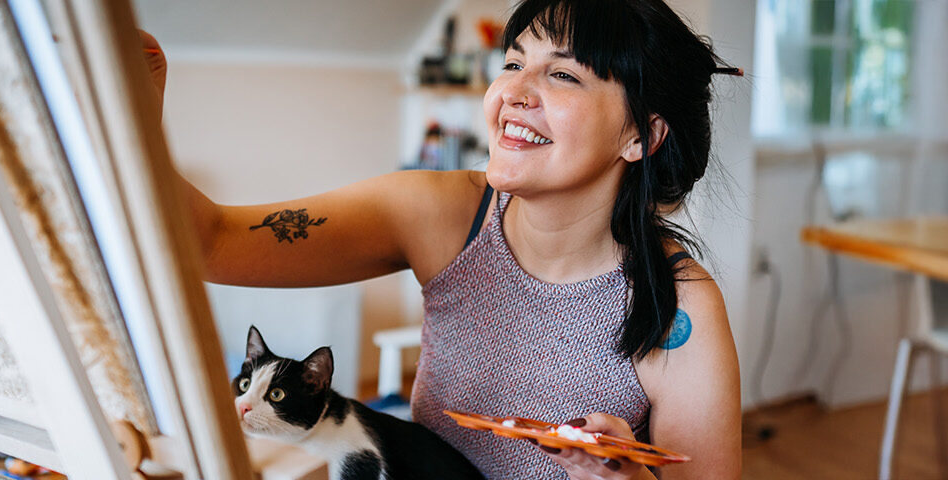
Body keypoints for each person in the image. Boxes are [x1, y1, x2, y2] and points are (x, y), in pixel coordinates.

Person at [140, 0, 741, 477]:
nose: (512, 94)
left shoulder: (682, 308)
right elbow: (211, 241)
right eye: (512, 62)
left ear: (642, 133)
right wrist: (133, 111)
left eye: (561, 73)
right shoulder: (446, 213)